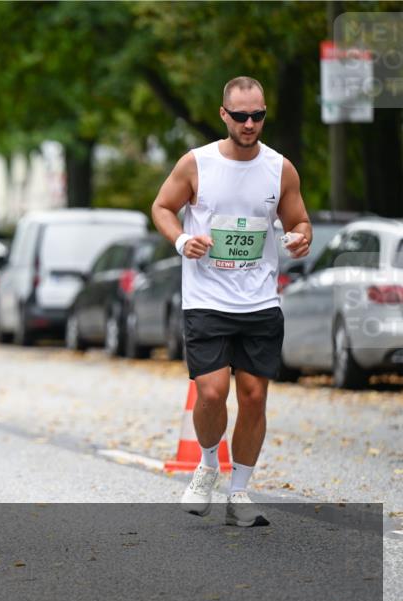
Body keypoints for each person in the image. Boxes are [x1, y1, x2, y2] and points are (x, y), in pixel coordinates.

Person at [151, 76, 311, 527]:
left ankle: (239, 492)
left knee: (255, 397)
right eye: (240, 116)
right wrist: (182, 239)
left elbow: (300, 221)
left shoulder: (280, 169)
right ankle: (206, 463)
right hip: (206, 299)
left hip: (260, 301)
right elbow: (162, 207)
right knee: (212, 392)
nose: (249, 123)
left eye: (257, 115)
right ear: (223, 115)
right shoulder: (196, 163)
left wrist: (300, 239)